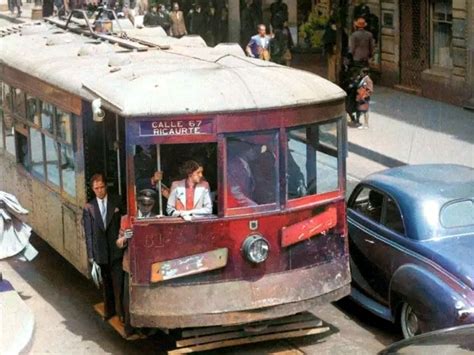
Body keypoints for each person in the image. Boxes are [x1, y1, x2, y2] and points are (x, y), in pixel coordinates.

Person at [83, 173, 124, 321]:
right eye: (96, 188)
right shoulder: (89, 208)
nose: (99, 191)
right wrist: (91, 256)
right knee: (106, 285)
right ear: (93, 189)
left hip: (116, 251)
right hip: (101, 253)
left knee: (118, 284)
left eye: (101, 187)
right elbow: (89, 234)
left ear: (106, 186)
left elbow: (124, 222)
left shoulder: (117, 201)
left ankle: (121, 313)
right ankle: (109, 311)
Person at [115, 189, 156, 338]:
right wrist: (125, 237)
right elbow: (118, 243)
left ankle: (145, 328)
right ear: (137, 203)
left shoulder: (155, 219)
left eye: (149, 205)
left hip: (147, 266)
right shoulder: (126, 219)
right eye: (143, 204)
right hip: (130, 265)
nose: (146, 208)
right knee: (129, 298)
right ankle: (129, 327)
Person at [226, 139, 259, 207]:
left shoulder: (247, 164)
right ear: (244, 151)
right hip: (237, 207)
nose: (254, 152)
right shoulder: (233, 166)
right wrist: (254, 206)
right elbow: (235, 192)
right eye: (251, 149)